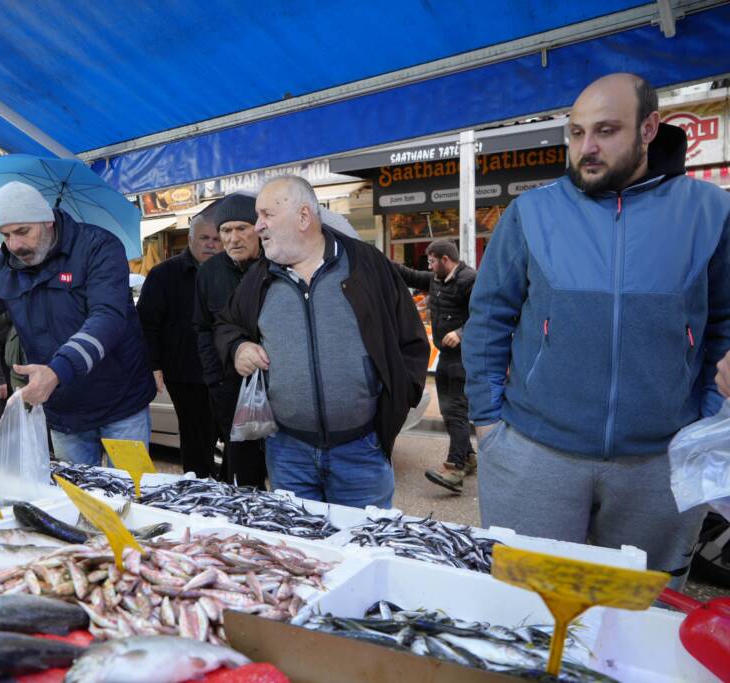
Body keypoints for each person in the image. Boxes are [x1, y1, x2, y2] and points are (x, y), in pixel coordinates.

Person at [463, 73, 730, 587]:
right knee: (527, 606)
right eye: (576, 132)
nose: (586, 148)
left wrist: (706, 418)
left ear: (649, 128)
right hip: (534, 452)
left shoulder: (711, 212)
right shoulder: (530, 213)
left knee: (638, 610)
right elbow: (489, 319)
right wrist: (486, 423)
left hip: (660, 462)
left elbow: (724, 322)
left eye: (606, 131)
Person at [215, 176, 429, 508]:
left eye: (266, 215)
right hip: (287, 453)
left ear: (303, 217)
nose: (257, 226)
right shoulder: (259, 277)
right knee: (302, 553)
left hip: (362, 451)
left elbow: (412, 341)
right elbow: (226, 324)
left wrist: (395, 406)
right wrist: (237, 347)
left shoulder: (366, 265)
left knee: (364, 548)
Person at [0, 180, 155, 466]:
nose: (15, 245)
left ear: (47, 221)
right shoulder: (3, 266)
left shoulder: (99, 247)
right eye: (5, 235)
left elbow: (107, 317)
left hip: (121, 403)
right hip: (64, 411)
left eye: (23, 231)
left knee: (132, 493)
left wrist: (58, 370)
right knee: (78, 499)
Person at [136, 214, 222, 477]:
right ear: (191, 239)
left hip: (227, 369)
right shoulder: (164, 274)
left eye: (217, 239)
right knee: (195, 438)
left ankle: (230, 491)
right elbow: (146, 323)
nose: (211, 244)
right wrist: (154, 365)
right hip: (185, 373)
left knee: (236, 439)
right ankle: (200, 490)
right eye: (204, 238)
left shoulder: (231, 271)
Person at [391, 239, 477, 494]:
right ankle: (469, 456)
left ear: (446, 260)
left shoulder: (469, 280)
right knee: (449, 410)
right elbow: (409, 275)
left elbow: (485, 313)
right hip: (446, 356)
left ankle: (455, 469)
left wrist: (461, 332)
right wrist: (377, 259)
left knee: (456, 411)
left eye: (432, 261)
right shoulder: (436, 279)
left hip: (464, 356)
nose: (429, 265)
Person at [194, 192, 267, 487]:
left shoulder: (276, 266)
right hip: (230, 389)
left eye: (241, 228)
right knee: (243, 469)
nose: (233, 238)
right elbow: (201, 328)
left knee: (283, 467)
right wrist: (215, 380)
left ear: (258, 230)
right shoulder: (209, 272)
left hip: (279, 386)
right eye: (226, 230)